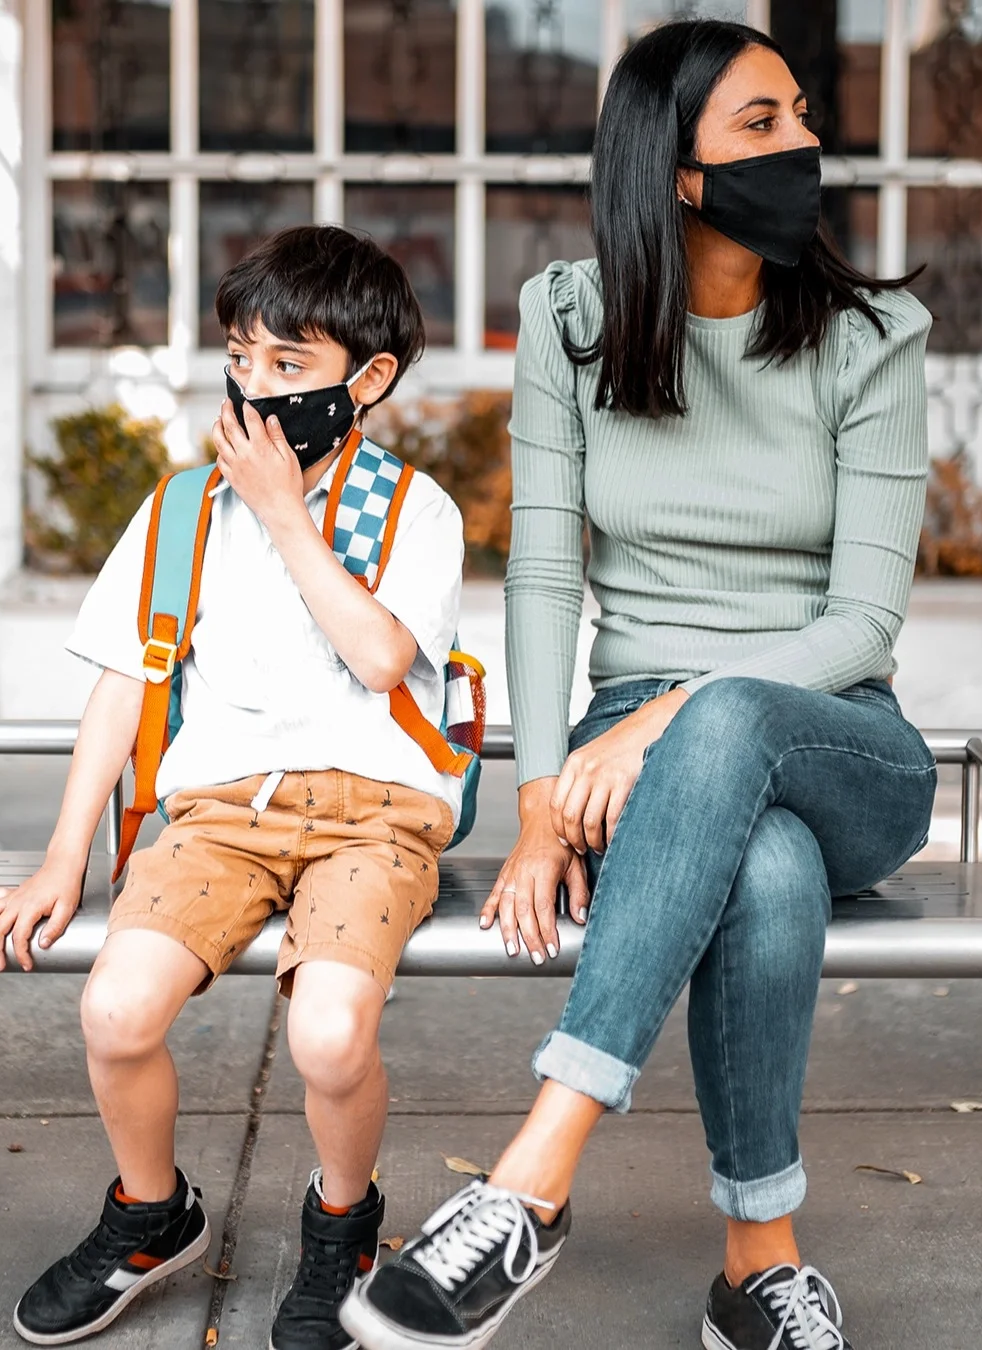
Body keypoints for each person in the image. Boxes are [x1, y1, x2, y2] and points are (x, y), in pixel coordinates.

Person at [341, 21, 937, 1350]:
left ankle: (533, 1176)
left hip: (842, 738)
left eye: (801, 115)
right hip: (642, 755)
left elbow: (861, 622)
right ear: (676, 173)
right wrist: (543, 797)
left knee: (734, 735)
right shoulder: (568, 320)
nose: (807, 143)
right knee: (765, 871)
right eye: (765, 123)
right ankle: (760, 1267)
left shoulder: (872, 337)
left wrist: (676, 712)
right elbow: (544, 575)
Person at [0, 224, 466, 1350]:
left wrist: (289, 514)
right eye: (243, 360)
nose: (256, 389)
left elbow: (384, 660)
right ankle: (152, 1215)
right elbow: (121, 690)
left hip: (370, 819)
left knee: (332, 1037)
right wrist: (64, 857)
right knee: (113, 1009)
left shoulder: (415, 510)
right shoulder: (184, 510)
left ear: (368, 379)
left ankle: (344, 1225)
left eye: (291, 367)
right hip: (216, 817)